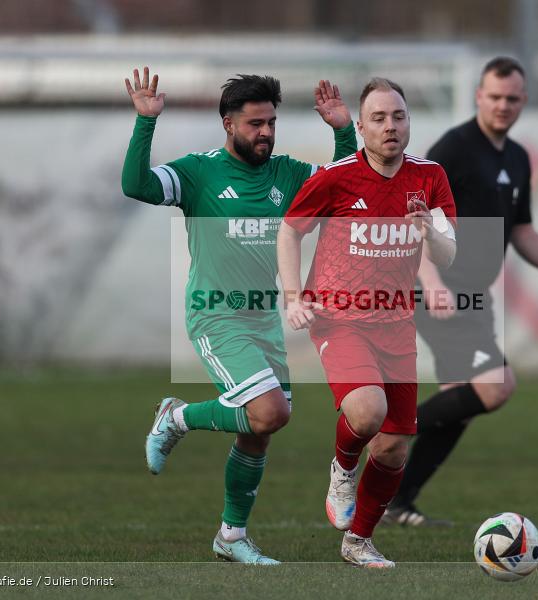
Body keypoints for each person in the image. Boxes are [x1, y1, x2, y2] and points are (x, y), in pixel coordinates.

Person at [121, 67, 356, 563]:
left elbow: (345, 186)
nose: (266, 132)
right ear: (228, 124)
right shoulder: (198, 172)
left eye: (271, 122)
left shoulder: (288, 173)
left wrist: (342, 130)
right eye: (255, 124)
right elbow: (136, 185)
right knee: (272, 410)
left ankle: (231, 536)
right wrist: (145, 123)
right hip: (216, 316)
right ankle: (177, 416)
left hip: (263, 319)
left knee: (259, 430)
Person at [382, 56, 538, 526]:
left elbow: (522, 229)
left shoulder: (516, 157)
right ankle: (388, 433)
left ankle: (396, 501)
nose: (503, 105)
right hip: (434, 287)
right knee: (495, 386)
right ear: (478, 97)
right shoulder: (454, 149)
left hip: (473, 295)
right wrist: (430, 284)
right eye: (494, 96)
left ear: (523, 101)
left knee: (461, 404)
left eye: (512, 98)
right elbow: (415, 220)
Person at [277, 78, 457, 567]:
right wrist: (294, 296)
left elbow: (447, 249)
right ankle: (342, 467)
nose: (390, 127)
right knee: (367, 411)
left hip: (396, 322)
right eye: (378, 119)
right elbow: (290, 232)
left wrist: (428, 230)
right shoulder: (336, 178)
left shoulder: (430, 177)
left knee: (396, 448)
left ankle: (358, 541)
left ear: (408, 122)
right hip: (339, 318)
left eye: (398, 116)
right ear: (361, 127)